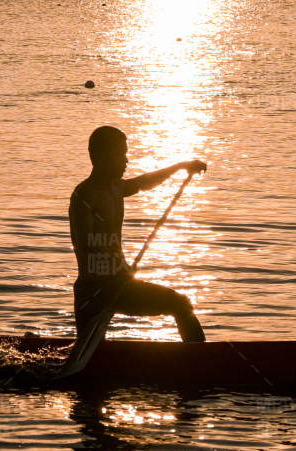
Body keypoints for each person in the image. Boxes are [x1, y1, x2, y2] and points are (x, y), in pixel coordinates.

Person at [69, 125, 207, 346]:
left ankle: (202, 359)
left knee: (180, 303)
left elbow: (144, 182)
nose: (126, 160)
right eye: (121, 153)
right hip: (93, 292)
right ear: (102, 156)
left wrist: (181, 166)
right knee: (94, 353)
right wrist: (116, 269)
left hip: (121, 286)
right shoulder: (83, 195)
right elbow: (84, 245)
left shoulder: (116, 188)